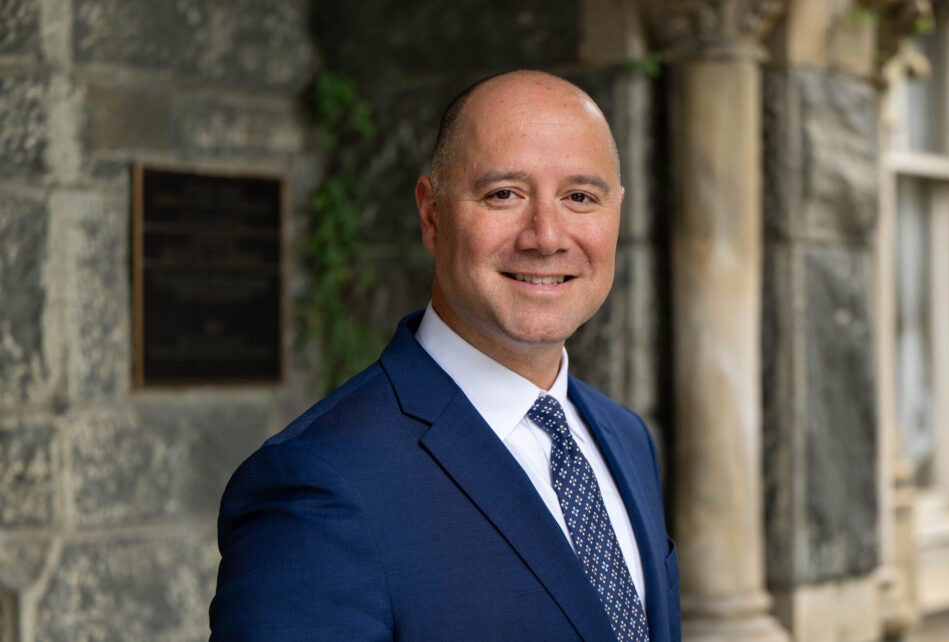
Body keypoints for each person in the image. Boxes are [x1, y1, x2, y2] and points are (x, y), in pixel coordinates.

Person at [209, 70, 680, 642]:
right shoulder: (321, 483)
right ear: (432, 215)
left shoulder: (625, 438)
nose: (546, 236)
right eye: (504, 193)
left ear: (617, 213)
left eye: (580, 197)